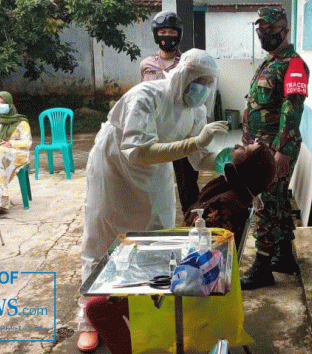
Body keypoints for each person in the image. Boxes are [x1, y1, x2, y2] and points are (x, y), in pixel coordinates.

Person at [77, 49, 228, 352]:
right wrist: (195, 142)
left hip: (156, 169)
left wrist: (225, 160)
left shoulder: (195, 110)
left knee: (156, 234)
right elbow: (138, 151)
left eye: (209, 83)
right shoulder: (146, 96)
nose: (204, 89)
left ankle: (138, 306)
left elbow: (197, 158)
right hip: (115, 169)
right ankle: (88, 319)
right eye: (200, 81)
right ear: (183, 76)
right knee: (102, 238)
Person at [239, 6, 310, 290]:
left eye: (271, 30)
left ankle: (262, 267)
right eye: (261, 31)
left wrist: (281, 149)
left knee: (265, 206)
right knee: (277, 202)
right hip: (261, 147)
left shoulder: (293, 64)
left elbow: (292, 109)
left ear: (285, 29)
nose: (265, 36)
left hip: (274, 148)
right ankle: (283, 257)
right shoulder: (272, 61)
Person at [140, 11, 202, 216]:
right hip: (154, 134)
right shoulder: (146, 64)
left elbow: (196, 99)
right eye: (163, 31)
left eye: (172, 31)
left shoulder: (188, 63)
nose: (167, 36)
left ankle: (192, 222)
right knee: (153, 182)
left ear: (179, 35)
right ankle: (155, 223)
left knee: (188, 185)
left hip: (181, 133)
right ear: (156, 34)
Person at [183, 142, 276, 249]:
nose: (237, 145)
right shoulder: (229, 187)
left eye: (244, 149)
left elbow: (208, 250)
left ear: (248, 166)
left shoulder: (227, 205)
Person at [0, 91, 32, 217]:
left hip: (18, 153)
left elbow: (27, 142)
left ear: (9, 104)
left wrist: (11, 144)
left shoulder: (21, 122)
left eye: (2, 103)